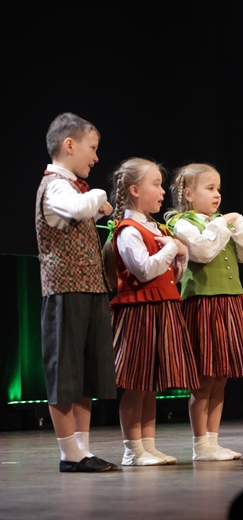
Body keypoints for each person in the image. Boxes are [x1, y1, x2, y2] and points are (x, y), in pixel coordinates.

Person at [165, 163, 243, 460]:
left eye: (218, 189)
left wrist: (239, 224)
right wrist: (225, 223)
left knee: (221, 376)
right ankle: (200, 444)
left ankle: (212, 441)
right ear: (188, 194)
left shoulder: (219, 223)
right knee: (204, 378)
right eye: (209, 188)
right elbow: (203, 251)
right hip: (204, 302)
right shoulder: (182, 223)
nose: (217, 195)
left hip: (231, 301)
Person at [35, 112, 118, 473]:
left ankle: (82, 450)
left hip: (89, 288)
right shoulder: (56, 185)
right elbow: (75, 207)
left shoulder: (74, 190)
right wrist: (99, 196)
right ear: (69, 145)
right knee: (65, 373)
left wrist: (96, 210)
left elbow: (75, 217)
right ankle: (69, 453)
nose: (96, 157)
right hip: (65, 290)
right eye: (92, 148)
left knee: (86, 373)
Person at [104, 158, 201, 465]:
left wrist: (180, 255)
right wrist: (172, 247)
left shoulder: (155, 227)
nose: (162, 191)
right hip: (140, 312)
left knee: (150, 385)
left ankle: (148, 445)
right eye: (156, 185)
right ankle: (133, 450)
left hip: (162, 307)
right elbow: (145, 270)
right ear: (134, 190)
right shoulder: (128, 230)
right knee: (136, 384)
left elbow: (171, 275)